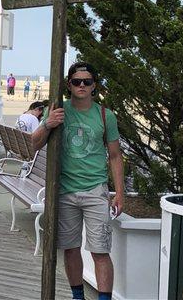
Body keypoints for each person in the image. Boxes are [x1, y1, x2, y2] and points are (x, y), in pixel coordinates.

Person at [32, 62, 124, 300]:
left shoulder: (106, 115)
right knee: (71, 249)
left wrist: (119, 193)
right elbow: (34, 143)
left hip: (96, 191)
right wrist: (49, 123)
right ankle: (77, 297)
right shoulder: (58, 110)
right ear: (69, 85)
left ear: (94, 86)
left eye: (87, 81)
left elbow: (115, 156)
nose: (81, 85)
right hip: (64, 191)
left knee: (100, 251)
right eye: (76, 81)